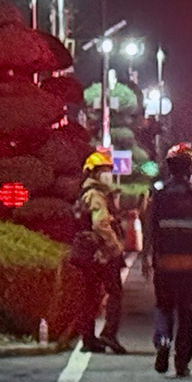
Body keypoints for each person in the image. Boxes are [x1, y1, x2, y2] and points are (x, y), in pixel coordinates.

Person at [142, 144, 192, 377]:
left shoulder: (157, 190)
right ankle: (182, 363)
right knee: (187, 312)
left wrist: (145, 255)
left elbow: (149, 224)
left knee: (164, 307)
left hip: (164, 260)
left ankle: (162, 341)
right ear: (190, 168)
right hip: (190, 261)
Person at [71, 149, 129, 353]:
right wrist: (115, 247)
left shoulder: (89, 192)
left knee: (90, 295)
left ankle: (88, 339)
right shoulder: (95, 194)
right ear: (94, 172)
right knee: (114, 292)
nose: (108, 174)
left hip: (89, 254)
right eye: (103, 170)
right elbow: (101, 224)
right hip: (101, 254)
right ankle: (108, 334)